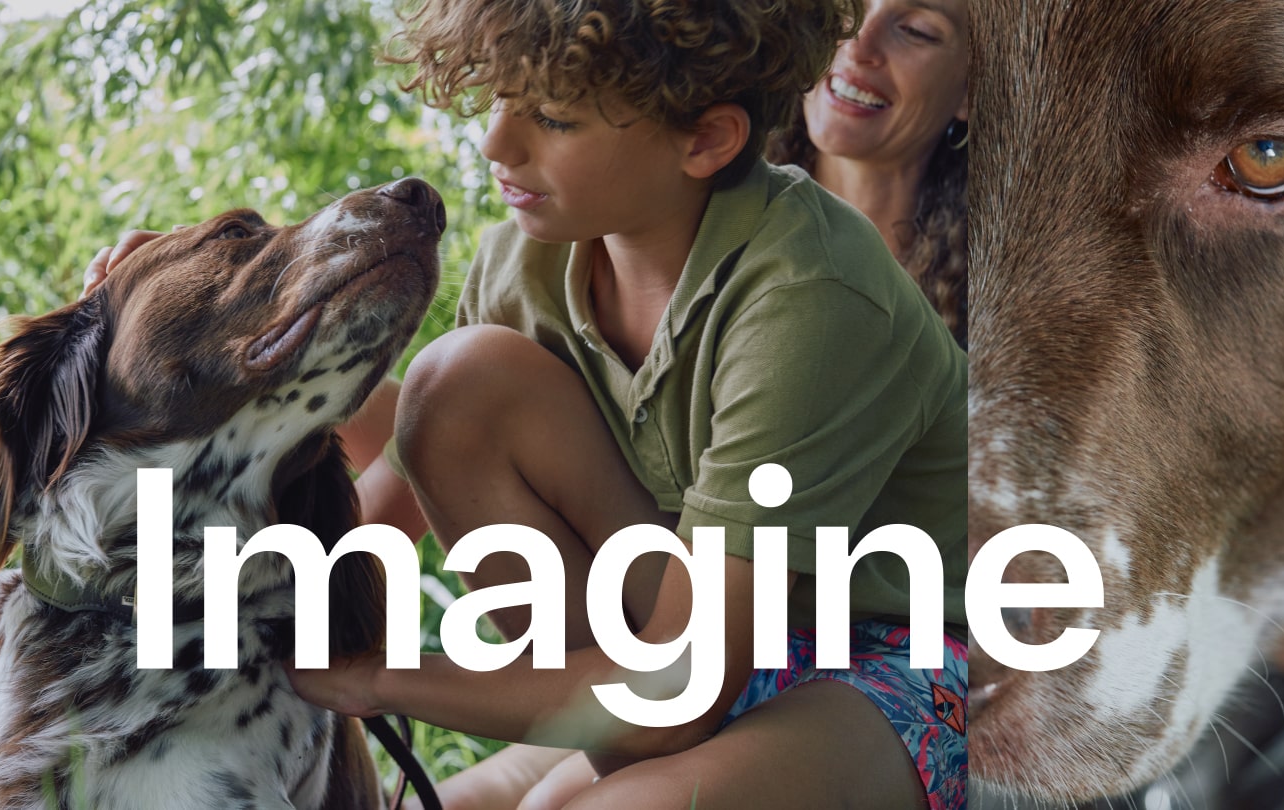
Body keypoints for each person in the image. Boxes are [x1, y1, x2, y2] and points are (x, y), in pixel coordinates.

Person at [87, 1, 970, 807]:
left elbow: (684, 680)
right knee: (455, 382)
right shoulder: (525, 267)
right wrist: (160, 333)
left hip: (894, 657)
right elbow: (375, 525)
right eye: (503, 101)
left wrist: (379, 679)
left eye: (551, 118)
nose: (496, 144)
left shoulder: (812, 292)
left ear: (705, 140)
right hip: (693, 639)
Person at [768, 0, 967, 347]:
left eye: (915, 30)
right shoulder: (704, 212)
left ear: (972, 91)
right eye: (846, 7)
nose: (857, 45)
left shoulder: (994, 312)